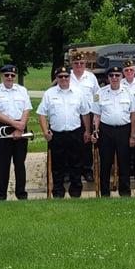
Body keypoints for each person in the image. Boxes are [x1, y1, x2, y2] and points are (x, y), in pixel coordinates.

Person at [37, 66, 91, 198]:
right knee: (57, 165)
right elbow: (42, 114)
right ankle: (58, 191)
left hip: (75, 133)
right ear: (56, 78)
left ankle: (76, 191)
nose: (63, 79)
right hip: (57, 135)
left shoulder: (78, 93)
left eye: (66, 76)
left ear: (69, 77)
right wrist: (45, 131)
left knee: (76, 164)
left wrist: (87, 131)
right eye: (60, 77)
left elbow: (85, 113)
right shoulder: (49, 94)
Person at [0, 64, 32, 201]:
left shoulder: (22, 90)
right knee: (3, 164)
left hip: (20, 126)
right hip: (2, 127)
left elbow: (27, 109)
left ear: (15, 76)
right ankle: (1, 196)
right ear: (2, 75)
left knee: (20, 163)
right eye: (7, 75)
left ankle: (21, 195)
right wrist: (14, 124)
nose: (10, 77)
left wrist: (20, 126)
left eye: (12, 75)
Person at [91, 66, 135, 197]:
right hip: (106, 131)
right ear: (108, 78)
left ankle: (125, 192)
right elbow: (97, 115)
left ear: (121, 77)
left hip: (124, 130)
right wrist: (95, 132)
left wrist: (133, 135)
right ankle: (104, 193)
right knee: (105, 163)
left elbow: (133, 115)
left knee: (124, 163)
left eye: (117, 75)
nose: (114, 78)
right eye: (111, 75)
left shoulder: (129, 93)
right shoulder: (100, 93)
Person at [69, 50, 99, 182]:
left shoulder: (90, 77)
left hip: (89, 114)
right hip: (72, 114)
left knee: (86, 142)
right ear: (72, 64)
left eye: (81, 63)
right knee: (73, 143)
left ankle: (87, 170)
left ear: (85, 64)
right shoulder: (67, 76)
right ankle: (71, 171)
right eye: (76, 63)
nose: (79, 66)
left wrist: (98, 110)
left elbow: (97, 95)